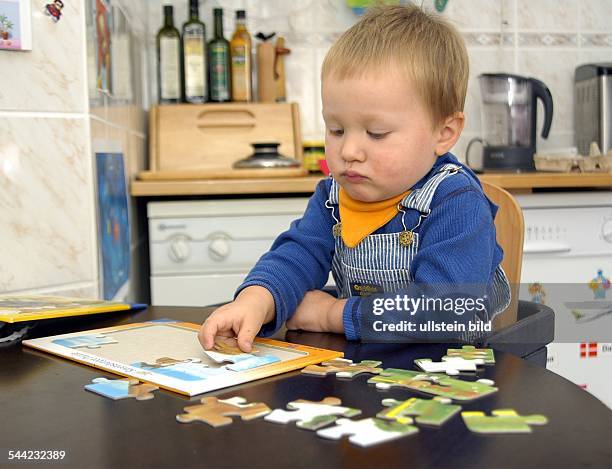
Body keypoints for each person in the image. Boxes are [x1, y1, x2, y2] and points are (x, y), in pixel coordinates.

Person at [199, 4, 510, 353]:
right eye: (336, 129)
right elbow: (297, 256)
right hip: (360, 372)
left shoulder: (456, 201)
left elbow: (445, 311)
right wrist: (257, 300)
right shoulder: (333, 196)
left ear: (444, 132)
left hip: (446, 382)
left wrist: (334, 314)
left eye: (376, 133)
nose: (349, 150)